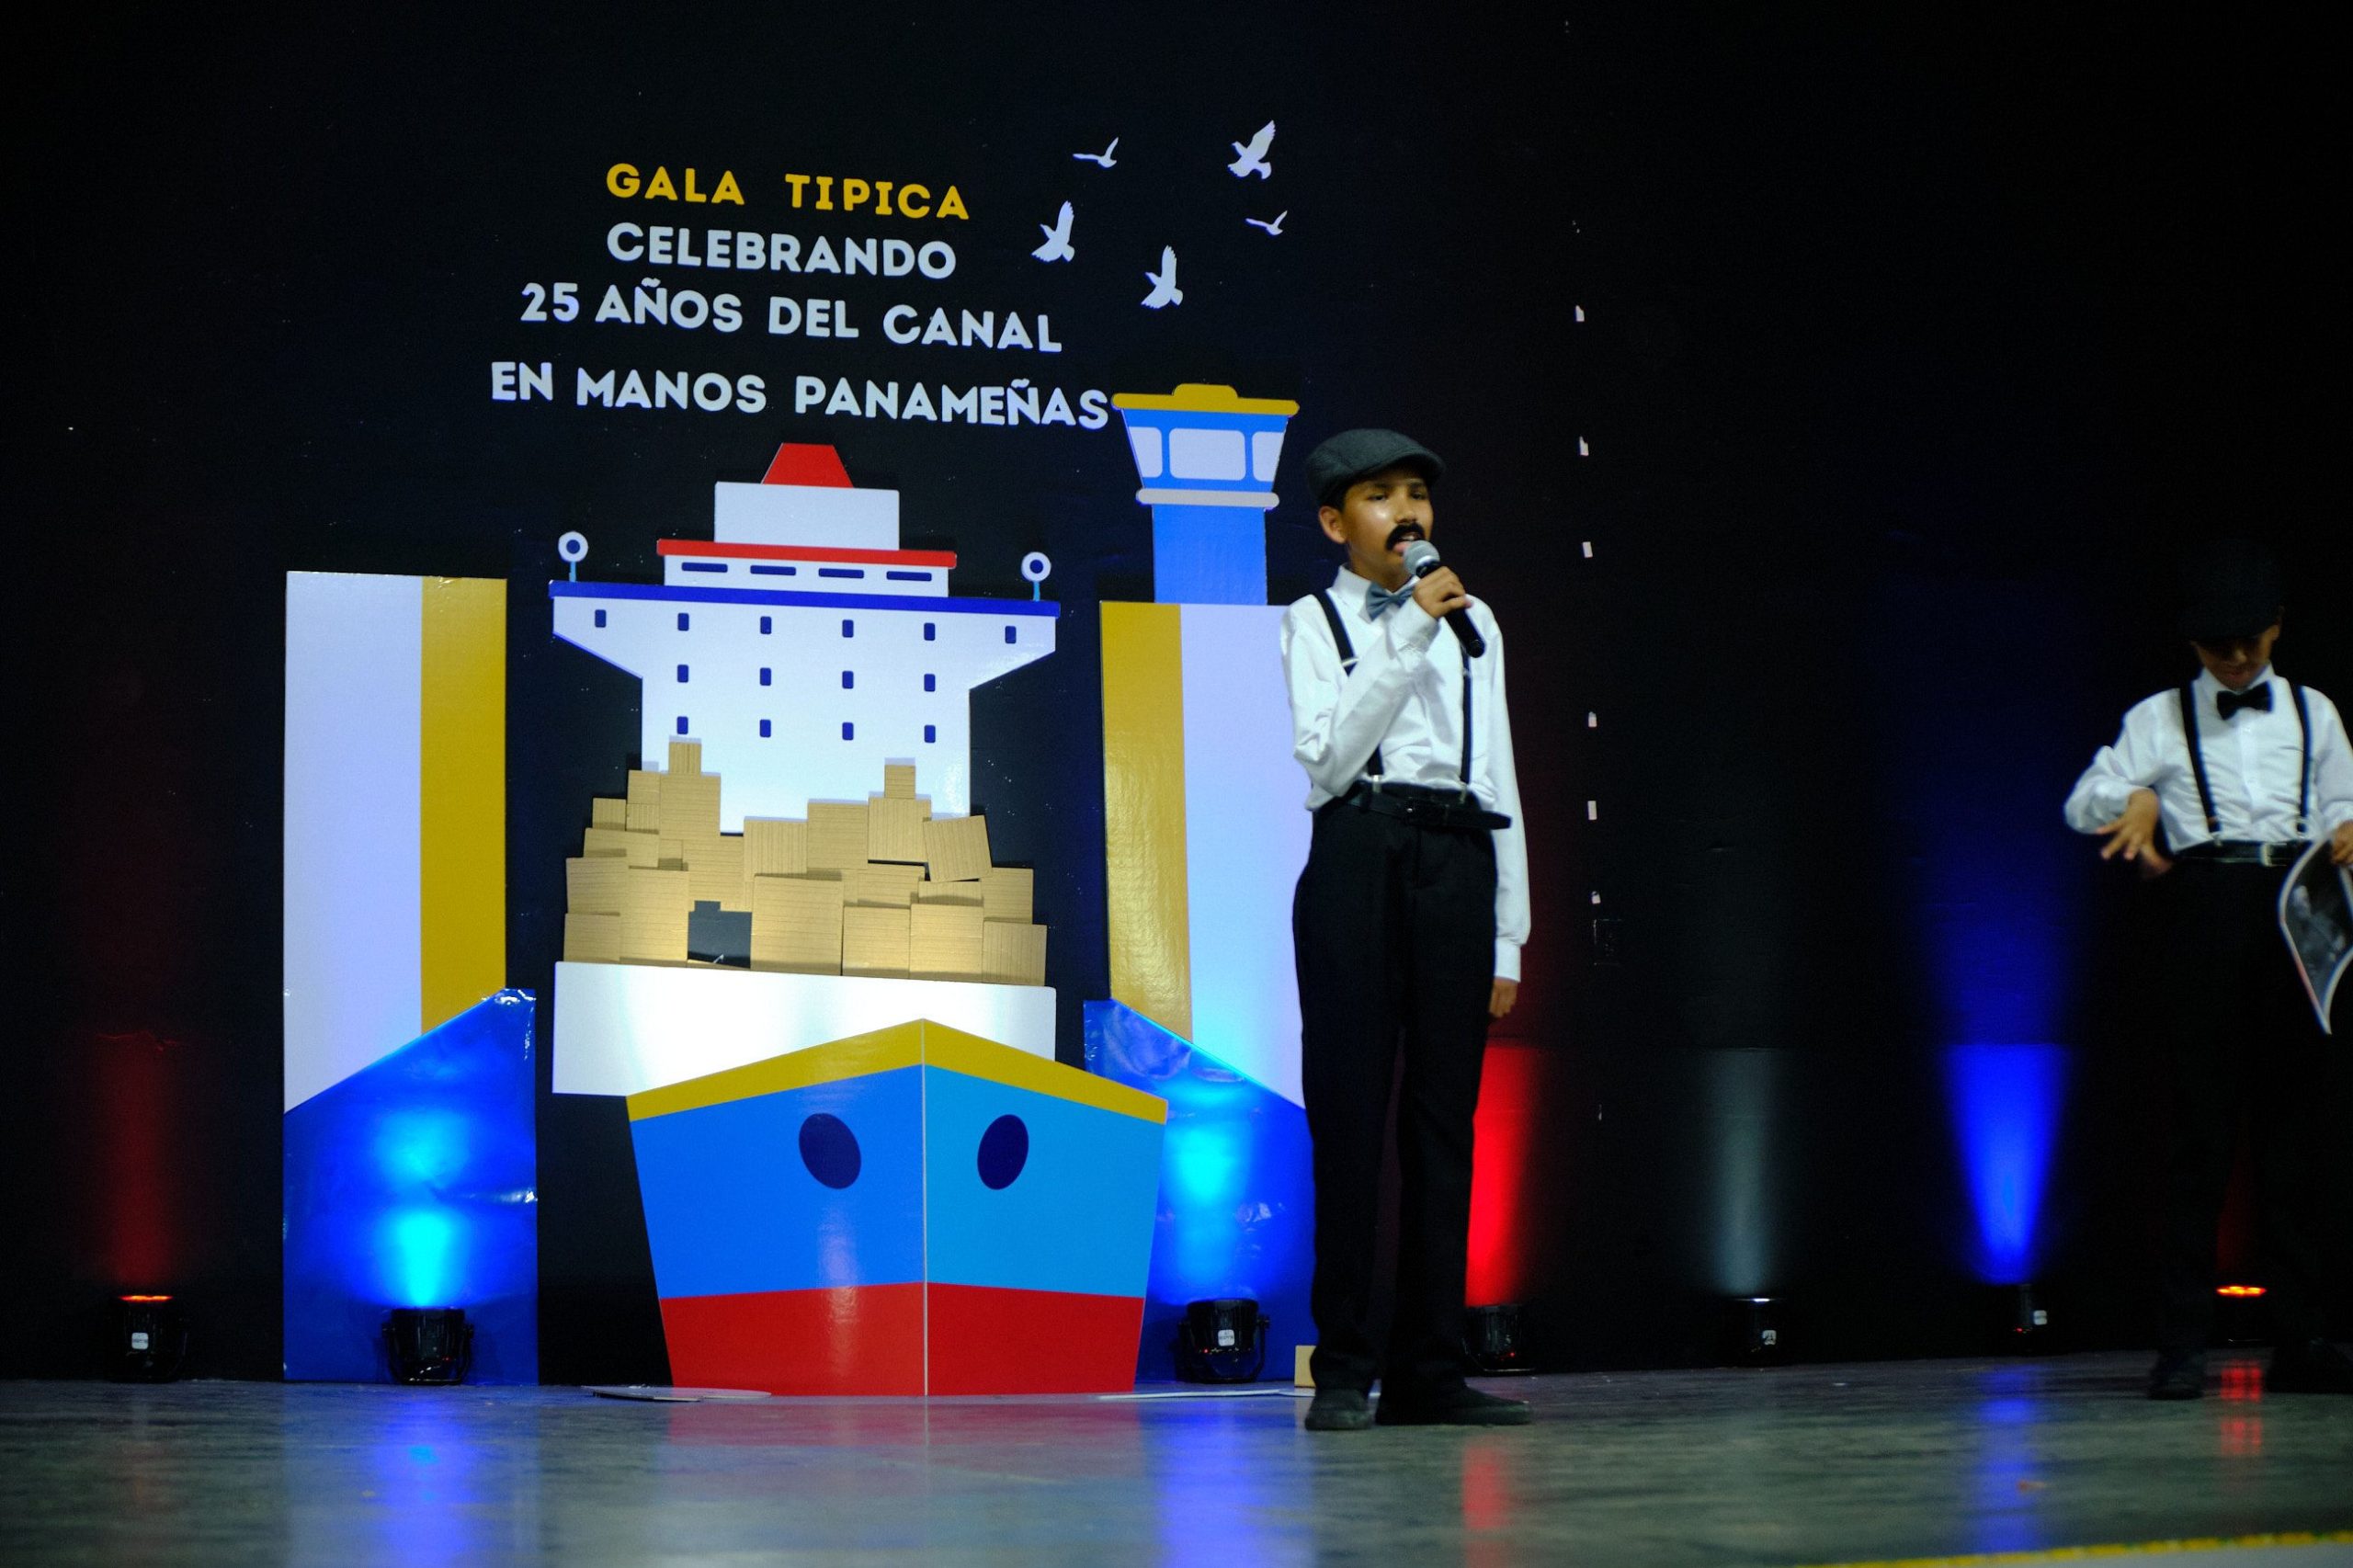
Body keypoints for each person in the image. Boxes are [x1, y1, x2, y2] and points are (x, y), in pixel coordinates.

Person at [1281, 428, 1531, 1430]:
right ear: (1335, 523)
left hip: (1457, 858)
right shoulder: (1311, 621)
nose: (1406, 511)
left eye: (1417, 492)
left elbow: (1498, 773)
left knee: (1444, 1124)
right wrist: (1407, 634)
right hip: (1358, 849)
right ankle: (1344, 1367)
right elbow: (1329, 759)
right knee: (1348, 1117)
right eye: (1380, 495)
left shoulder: (1478, 620)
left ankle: (1431, 1368)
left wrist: (1508, 936)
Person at [2063, 539, 2353, 1400]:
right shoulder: (2160, 718)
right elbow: (2082, 801)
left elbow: (2342, 797)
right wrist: (2136, 796)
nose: (2235, 660)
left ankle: (2301, 1339)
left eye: (2249, 643)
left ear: (2277, 629)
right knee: (2201, 1134)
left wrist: (2347, 824)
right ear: (2192, 644)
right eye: (2217, 647)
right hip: (2208, 909)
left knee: (2295, 1138)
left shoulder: (2314, 711)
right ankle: (2181, 1345)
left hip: (2298, 909)